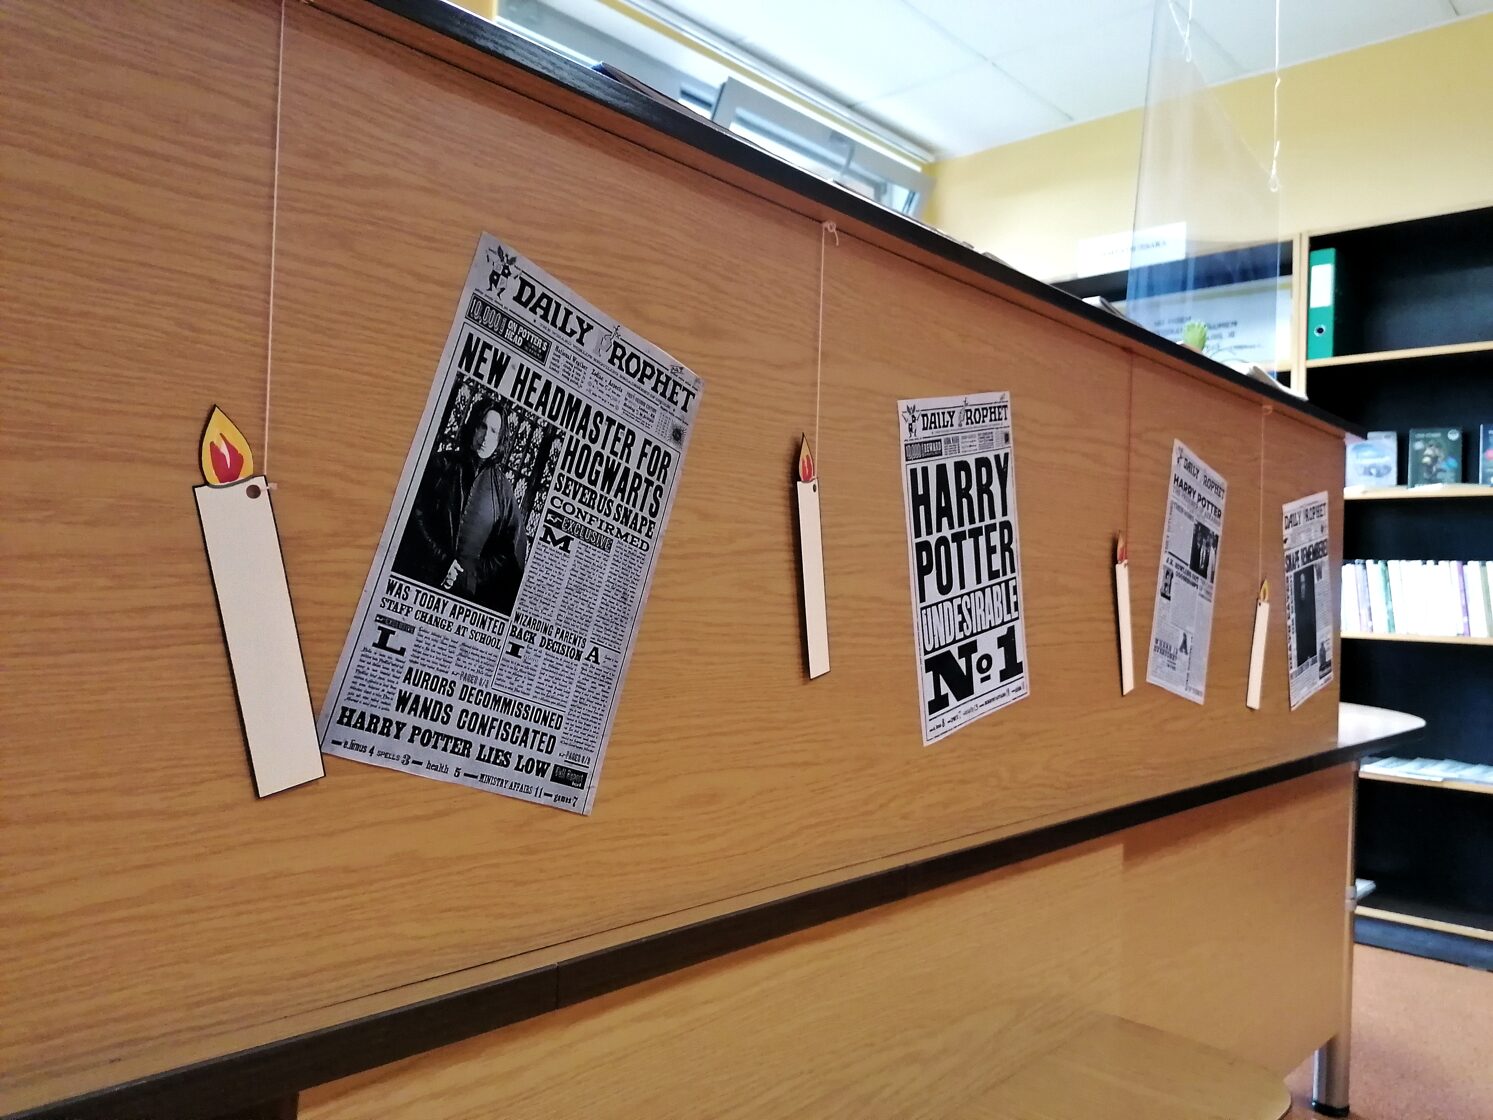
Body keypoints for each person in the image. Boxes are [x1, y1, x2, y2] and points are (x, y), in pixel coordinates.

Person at [394, 396, 527, 613]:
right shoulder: (441, 463)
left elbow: (511, 550)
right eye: (482, 426)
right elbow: (414, 514)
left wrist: (472, 574)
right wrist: (441, 561)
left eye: (494, 431)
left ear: (500, 438)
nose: (486, 437)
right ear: (473, 427)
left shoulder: (503, 490)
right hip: (419, 575)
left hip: (463, 596)